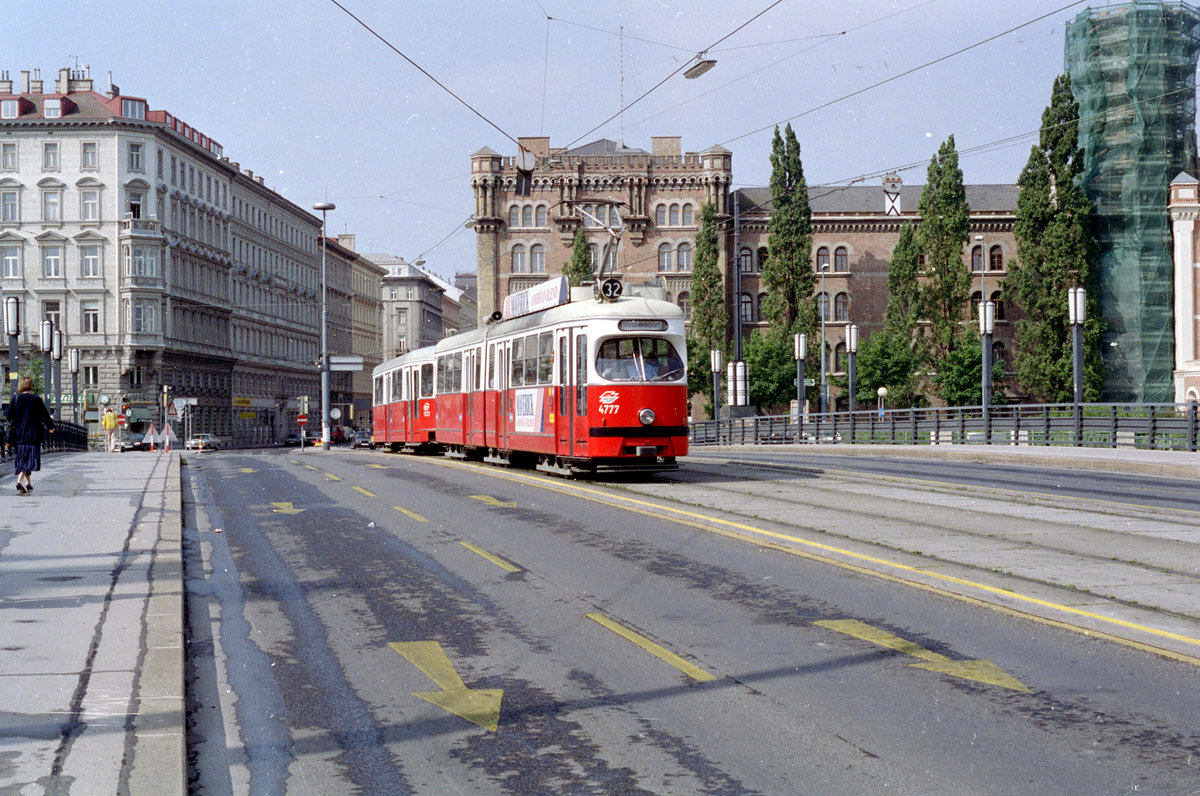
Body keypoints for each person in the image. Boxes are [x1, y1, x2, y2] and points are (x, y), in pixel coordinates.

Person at [6, 377, 54, 495]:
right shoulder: (36, 400)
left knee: (23, 457)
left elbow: (8, 415)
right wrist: (51, 427)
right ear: (32, 386)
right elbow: (44, 415)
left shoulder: (16, 399)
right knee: (29, 459)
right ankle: (19, 481)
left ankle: (28, 483)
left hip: (19, 435)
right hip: (33, 435)